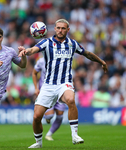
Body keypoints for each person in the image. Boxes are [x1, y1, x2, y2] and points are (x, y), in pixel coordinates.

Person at [19, 19, 108, 148]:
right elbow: (34, 49)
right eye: (58, 28)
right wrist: (26, 51)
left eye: (63, 28)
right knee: (37, 116)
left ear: (68, 30)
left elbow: (87, 54)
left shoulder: (72, 44)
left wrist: (102, 62)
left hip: (64, 82)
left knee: (70, 99)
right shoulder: (46, 42)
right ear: (54, 29)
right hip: (48, 85)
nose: (60, 30)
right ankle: (38, 142)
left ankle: (75, 135)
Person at [32, 57, 66, 141]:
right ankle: (48, 117)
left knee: (60, 115)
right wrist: (36, 88)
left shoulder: (62, 59)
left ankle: (49, 134)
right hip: (47, 91)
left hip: (59, 90)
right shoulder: (41, 61)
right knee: (50, 115)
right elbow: (34, 73)